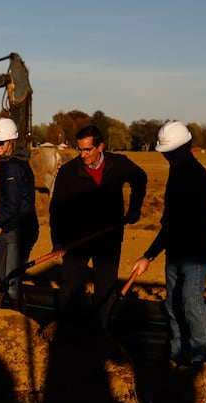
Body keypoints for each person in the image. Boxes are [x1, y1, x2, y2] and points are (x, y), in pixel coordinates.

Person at [129, 122, 206, 365]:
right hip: (177, 248)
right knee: (172, 304)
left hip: (197, 251)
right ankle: (177, 358)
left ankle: (199, 361)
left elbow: (177, 223)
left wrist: (149, 255)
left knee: (190, 301)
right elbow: (171, 223)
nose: (168, 157)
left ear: (186, 147)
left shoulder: (197, 178)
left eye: (171, 152)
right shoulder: (177, 173)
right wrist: (150, 255)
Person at [49, 125, 146, 331]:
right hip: (77, 240)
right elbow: (57, 209)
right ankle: (65, 333)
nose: (82, 155)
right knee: (70, 290)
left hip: (108, 239)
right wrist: (58, 241)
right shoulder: (68, 172)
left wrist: (134, 208)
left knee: (105, 290)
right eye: (80, 149)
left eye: (87, 150)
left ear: (100, 147)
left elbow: (140, 178)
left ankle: (100, 337)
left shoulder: (118, 165)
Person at [0, 118, 39, 311]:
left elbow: (12, 206)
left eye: (0, 142)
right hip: (9, 227)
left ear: (11, 142)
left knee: (12, 287)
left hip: (20, 231)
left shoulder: (12, 167)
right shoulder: (9, 163)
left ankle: (20, 329)